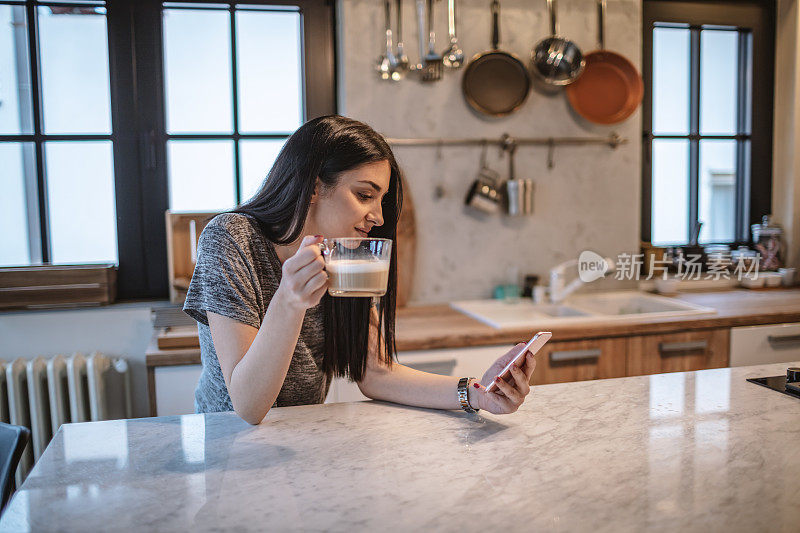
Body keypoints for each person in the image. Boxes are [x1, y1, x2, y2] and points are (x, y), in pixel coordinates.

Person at [183, 115, 537, 424]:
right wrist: (289, 302)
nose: (379, 217)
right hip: (226, 444)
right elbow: (247, 406)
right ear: (314, 187)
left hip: (300, 441)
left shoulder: (346, 252)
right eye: (365, 195)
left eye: (381, 200)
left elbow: (376, 372)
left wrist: (477, 394)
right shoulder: (231, 239)